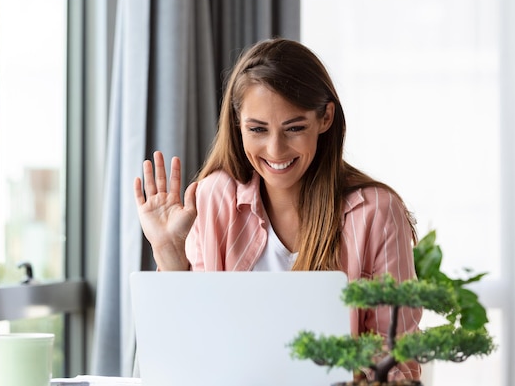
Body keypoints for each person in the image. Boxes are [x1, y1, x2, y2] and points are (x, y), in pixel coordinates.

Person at [133, 38, 421, 381]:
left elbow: (400, 356)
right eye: (257, 129)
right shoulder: (215, 199)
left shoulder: (376, 212)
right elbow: (183, 352)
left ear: (325, 118)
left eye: (294, 128)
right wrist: (168, 252)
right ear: (238, 123)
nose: (275, 150)